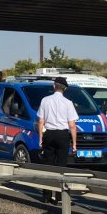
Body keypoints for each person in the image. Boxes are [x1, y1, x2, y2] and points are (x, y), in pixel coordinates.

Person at [36, 76, 78, 205]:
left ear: (54, 86)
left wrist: (41, 138)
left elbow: (40, 122)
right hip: (62, 135)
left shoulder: (45, 100)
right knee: (61, 166)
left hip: (49, 134)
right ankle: (60, 197)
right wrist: (75, 143)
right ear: (64, 89)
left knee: (48, 165)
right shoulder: (68, 103)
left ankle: (46, 196)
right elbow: (72, 125)